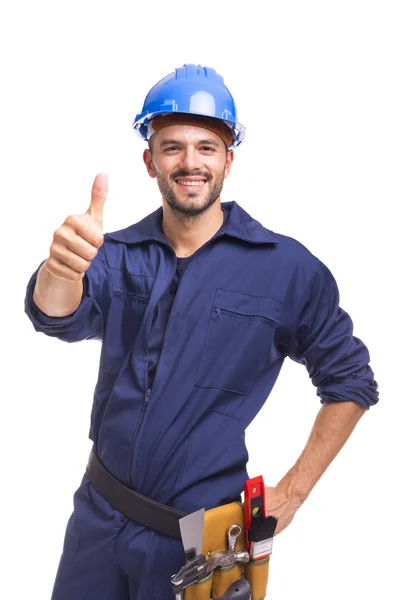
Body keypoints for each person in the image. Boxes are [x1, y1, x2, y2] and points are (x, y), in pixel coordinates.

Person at [25, 64, 378, 600]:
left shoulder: (285, 268)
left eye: (206, 147)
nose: (190, 162)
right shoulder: (113, 253)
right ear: (150, 161)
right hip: (97, 520)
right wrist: (58, 272)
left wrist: (295, 492)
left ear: (229, 160)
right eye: (172, 147)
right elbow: (57, 316)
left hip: (201, 543)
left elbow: (350, 382)